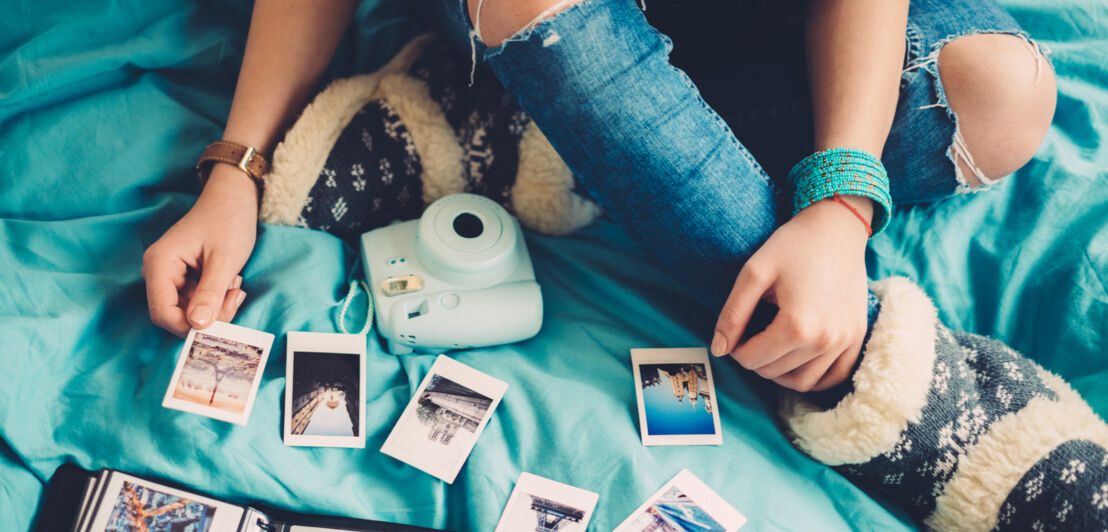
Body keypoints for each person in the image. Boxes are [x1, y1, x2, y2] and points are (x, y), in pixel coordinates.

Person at [144, 0, 1108, 529]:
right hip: (534, 12)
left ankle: (535, 140)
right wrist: (234, 173)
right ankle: (904, 394)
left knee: (1004, 96)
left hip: (732, 33)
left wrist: (839, 210)